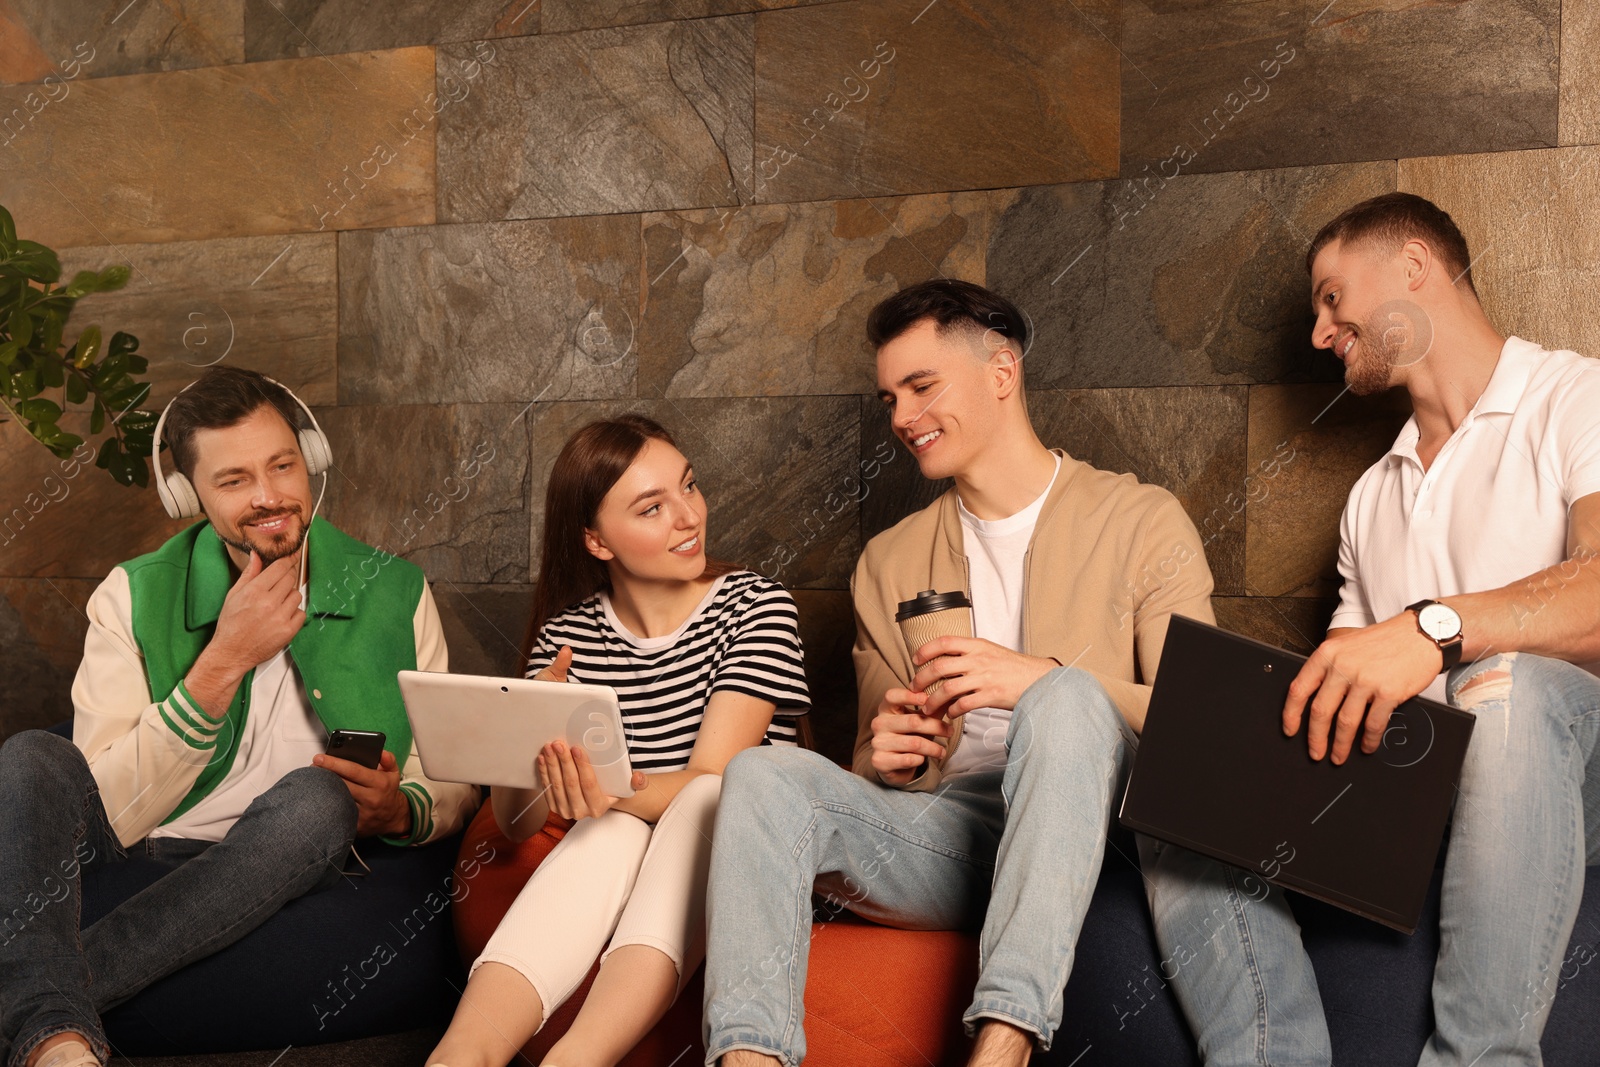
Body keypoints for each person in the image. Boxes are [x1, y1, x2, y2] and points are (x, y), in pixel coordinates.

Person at [701, 279, 1217, 1067]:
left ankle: (1002, 1046)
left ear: (1002, 373)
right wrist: (886, 749)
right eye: (889, 399)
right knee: (764, 773)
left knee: (1068, 699)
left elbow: (1204, 719)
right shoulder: (888, 560)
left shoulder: (1142, 519)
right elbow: (876, 773)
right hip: (955, 832)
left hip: (1095, 826)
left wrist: (1037, 677)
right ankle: (748, 1058)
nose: (902, 418)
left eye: (921, 386)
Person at [1147, 192, 1600, 1066]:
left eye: (1330, 296)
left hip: (1572, 769)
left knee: (1501, 686)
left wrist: (1436, 629)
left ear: (1414, 266)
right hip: (1423, 791)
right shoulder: (1372, 496)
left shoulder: (1573, 397)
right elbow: (1346, 704)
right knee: (1173, 778)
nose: (1321, 333)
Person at [0, 366, 479, 1067]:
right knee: (29, 754)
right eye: (233, 481)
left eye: (283, 466)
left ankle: (39, 1004)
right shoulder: (129, 595)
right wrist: (221, 663)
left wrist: (401, 809)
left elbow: (454, 776)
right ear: (186, 494)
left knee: (320, 802)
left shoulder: (396, 591)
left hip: (298, 852)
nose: (268, 497)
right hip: (149, 853)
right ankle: (58, 1042)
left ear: (310, 460)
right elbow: (103, 804)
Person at [427, 415, 812, 1067]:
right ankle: (463, 1054)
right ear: (597, 540)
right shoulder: (567, 636)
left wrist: (604, 793)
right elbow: (519, 825)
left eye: (689, 487)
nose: (689, 516)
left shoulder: (757, 606)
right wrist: (524, 738)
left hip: (744, 846)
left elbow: (715, 774)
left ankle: (578, 1057)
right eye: (652, 507)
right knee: (611, 832)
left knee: (703, 799)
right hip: (609, 850)